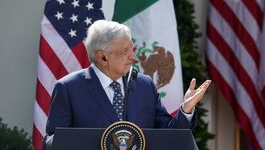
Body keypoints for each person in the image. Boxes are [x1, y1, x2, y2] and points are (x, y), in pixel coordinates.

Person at [43, 20, 211, 149]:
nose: (133, 57)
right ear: (102, 57)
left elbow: (168, 135)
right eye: (125, 51)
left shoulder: (145, 85)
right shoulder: (68, 89)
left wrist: (186, 110)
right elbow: (51, 142)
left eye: (132, 49)